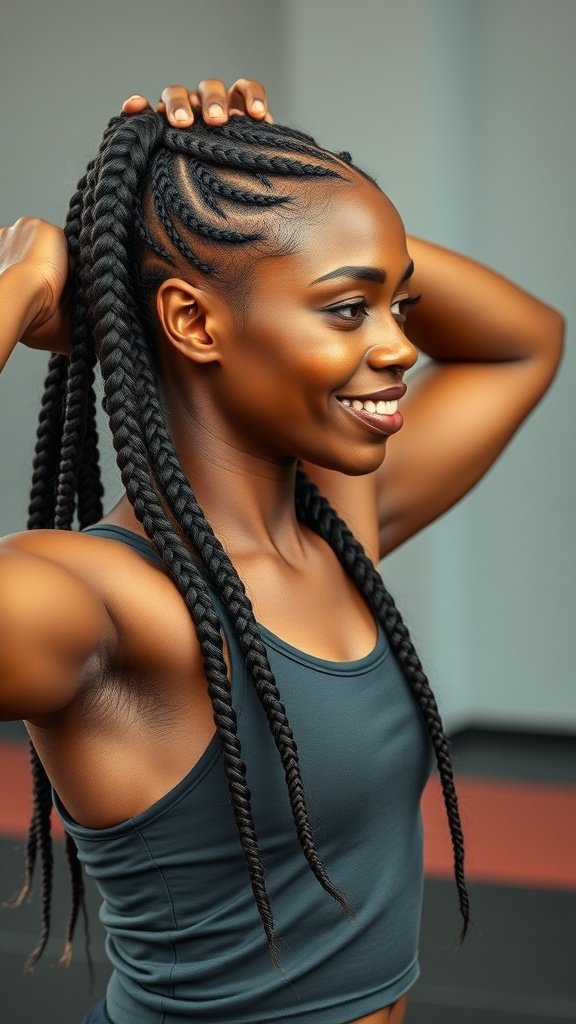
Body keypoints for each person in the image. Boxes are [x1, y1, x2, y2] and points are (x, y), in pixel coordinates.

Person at [0, 77, 564, 1024]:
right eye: (349, 310)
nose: (400, 346)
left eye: (399, 302)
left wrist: (285, 203)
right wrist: (25, 286)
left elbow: (524, 342)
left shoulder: (340, 527)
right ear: (192, 322)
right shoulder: (96, 601)